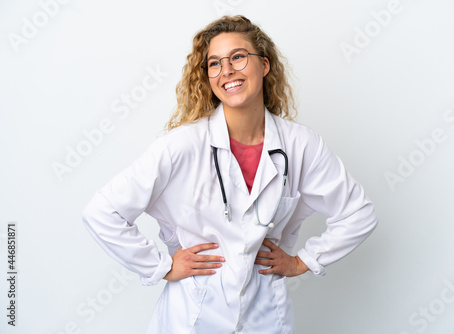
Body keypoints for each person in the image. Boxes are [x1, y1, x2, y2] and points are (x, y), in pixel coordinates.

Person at [82, 15, 377, 334]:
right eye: (214, 63)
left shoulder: (300, 145)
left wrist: (301, 261)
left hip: (266, 317)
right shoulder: (183, 145)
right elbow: (102, 212)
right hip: (192, 318)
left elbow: (358, 215)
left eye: (237, 57)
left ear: (264, 65)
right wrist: (162, 266)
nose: (227, 71)